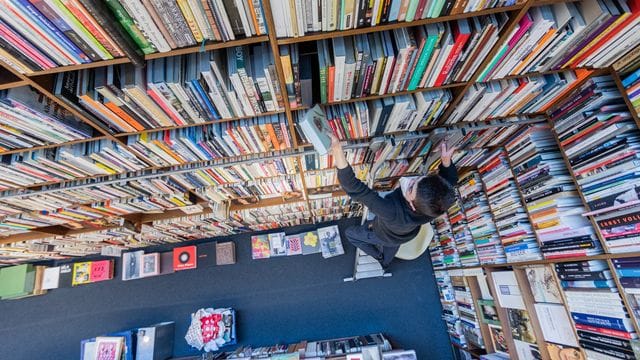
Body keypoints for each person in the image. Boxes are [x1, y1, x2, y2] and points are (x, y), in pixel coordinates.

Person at [330, 135, 458, 269]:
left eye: (410, 187)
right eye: (419, 179)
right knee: (392, 246)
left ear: (412, 204)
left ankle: (380, 258)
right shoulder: (437, 206)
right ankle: (386, 260)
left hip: (384, 235)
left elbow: (354, 187)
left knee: (350, 234)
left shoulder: (390, 211)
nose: (410, 179)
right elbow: (449, 182)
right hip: (406, 235)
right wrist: (446, 161)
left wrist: (338, 150)